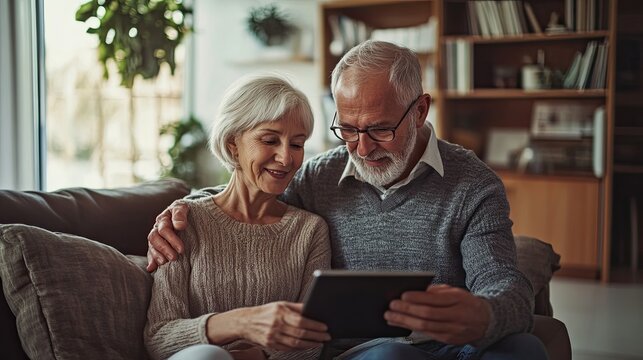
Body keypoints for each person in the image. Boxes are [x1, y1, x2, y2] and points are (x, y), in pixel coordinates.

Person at [147, 41, 548, 360]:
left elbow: (505, 286)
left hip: (455, 346)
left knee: (524, 349)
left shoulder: (473, 185)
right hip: (370, 351)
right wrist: (182, 209)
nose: (362, 147)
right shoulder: (318, 177)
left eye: (379, 129)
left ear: (420, 110)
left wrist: (486, 315)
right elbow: (248, 195)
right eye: (349, 129)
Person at [144, 74, 332, 360]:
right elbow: (159, 338)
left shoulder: (309, 230)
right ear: (233, 143)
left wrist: (258, 356)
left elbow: (311, 339)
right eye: (270, 140)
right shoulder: (183, 222)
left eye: (297, 144)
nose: (286, 158)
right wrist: (241, 323)